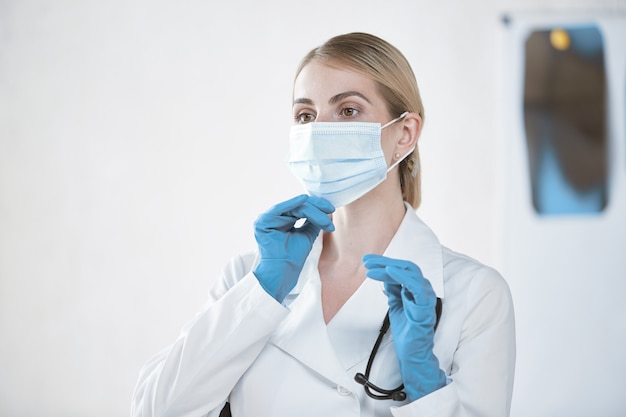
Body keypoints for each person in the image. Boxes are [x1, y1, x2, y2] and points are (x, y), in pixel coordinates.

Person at [130, 32, 516, 417]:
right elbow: (155, 411)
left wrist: (423, 382)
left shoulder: (475, 294)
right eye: (305, 115)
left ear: (405, 133)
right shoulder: (247, 276)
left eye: (348, 111)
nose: (318, 131)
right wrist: (262, 292)